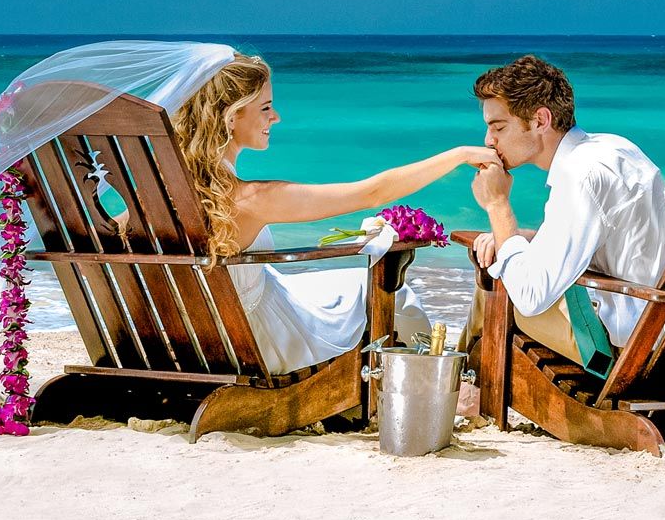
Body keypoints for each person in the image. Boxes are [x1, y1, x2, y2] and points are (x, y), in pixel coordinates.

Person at [175, 53, 499, 373]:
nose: (275, 118)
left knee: (339, 286)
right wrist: (458, 155)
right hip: (255, 342)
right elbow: (372, 192)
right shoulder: (253, 199)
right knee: (397, 293)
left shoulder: (163, 194)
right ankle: (432, 383)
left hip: (189, 338)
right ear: (231, 118)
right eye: (265, 108)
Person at [465, 55, 665, 381]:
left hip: (640, 350)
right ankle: (464, 384)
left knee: (499, 282)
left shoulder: (579, 175)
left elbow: (530, 297)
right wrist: (523, 238)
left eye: (498, 127)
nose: (488, 141)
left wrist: (498, 206)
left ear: (540, 120)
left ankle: (463, 388)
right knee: (507, 257)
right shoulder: (615, 149)